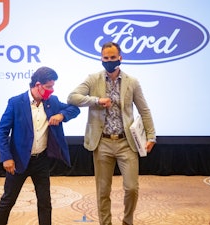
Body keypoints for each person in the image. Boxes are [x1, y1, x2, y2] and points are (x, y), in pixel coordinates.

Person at [67, 41, 156, 225]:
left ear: (120, 58)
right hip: (102, 143)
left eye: (112, 58)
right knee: (103, 190)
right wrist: (97, 100)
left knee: (132, 188)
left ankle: (127, 221)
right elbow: (72, 97)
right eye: (105, 58)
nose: (109, 61)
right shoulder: (93, 79)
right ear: (101, 59)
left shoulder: (132, 82)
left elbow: (144, 110)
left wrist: (151, 136)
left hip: (127, 143)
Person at [0, 66, 80, 225]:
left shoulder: (52, 102)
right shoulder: (16, 102)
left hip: (41, 161)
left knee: (45, 202)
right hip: (18, 160)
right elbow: (2, 131)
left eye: (53, 86)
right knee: (8, 200)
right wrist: (6, 157)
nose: (52, 90)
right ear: (38, 85)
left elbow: (74, 109)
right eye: (49, 87)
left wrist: (62, 115)